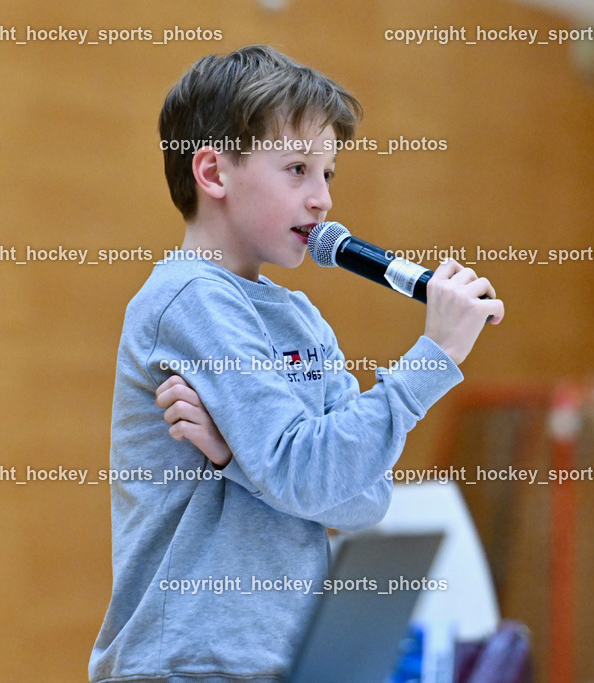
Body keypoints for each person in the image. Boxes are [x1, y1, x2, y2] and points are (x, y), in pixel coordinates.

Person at [89, 45, 504, 683]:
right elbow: (309, 475)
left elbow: (362, 497)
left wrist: (240, 459)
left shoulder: (300, 317)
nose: (322, 200)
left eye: (328, 174)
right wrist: (436, 355)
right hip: (187, 664)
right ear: (214, 172)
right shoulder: (192, 299)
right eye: (297, 169)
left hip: (277, 663)